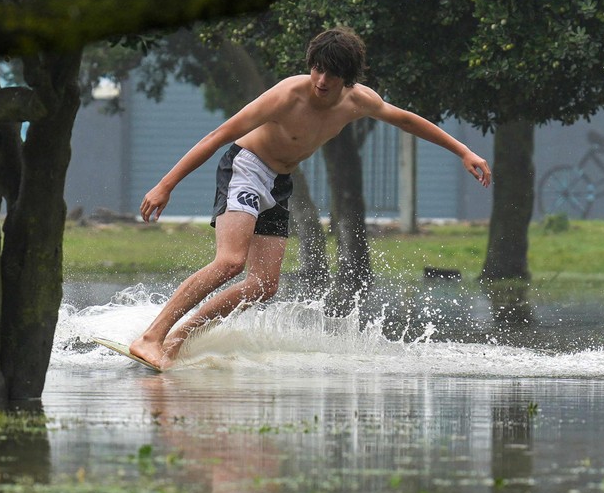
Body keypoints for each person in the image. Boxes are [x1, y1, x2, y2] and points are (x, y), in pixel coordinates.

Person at [127, 27, 492, 370]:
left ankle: (176, 339)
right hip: (246, 169)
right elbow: (218, 135)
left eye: (331, 75)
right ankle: (150, 336)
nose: (321, 81)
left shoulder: (359, 101)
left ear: (347, 79)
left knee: (263, 286)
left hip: (279, 183)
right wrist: (166, 184)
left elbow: (408, 121)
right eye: (317, 69)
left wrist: (464, 152)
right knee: (230, 262)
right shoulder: (287, 95)